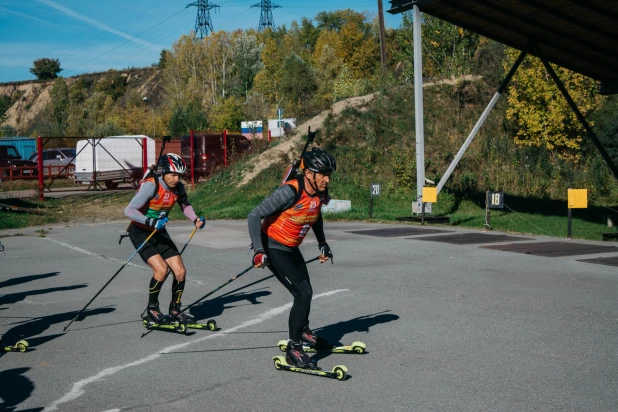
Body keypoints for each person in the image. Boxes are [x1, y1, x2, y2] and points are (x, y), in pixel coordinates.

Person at [247, 148, 336, 370]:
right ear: (309, 174)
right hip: (274, 247)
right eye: (323, 174)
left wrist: (322, 243)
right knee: (302, 293)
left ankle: (303, 332)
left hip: (291, 247)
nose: (327, 179)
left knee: (306, 291)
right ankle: (294, 348)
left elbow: (315, 215)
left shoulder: (318, 192)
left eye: (329, 174)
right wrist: (259, 250)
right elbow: (254, 215)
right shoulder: (289, 191)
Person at [124, 153, 205, 324]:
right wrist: (150, 221)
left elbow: (185, 205)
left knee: (180, 271)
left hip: (159, 232)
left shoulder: (178, 188)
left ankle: (175, 309)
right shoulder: (151, 186)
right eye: (173, 174)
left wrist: (195, 219)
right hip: (140, 231)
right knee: (161, 270)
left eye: (179, 175)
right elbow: (129, 210)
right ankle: (152, 309)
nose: (176, 179)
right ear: (164, 172)